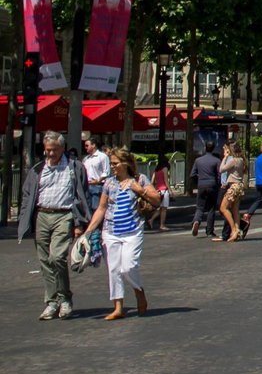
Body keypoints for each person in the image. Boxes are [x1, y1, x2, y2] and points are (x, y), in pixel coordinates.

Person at [18, 131, 90, 321]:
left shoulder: (75, 167)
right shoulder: (37, 169)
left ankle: (65, 298)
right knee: (45, 261)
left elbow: (82, 195)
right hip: (42, 215)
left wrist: (79, 223)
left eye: (54, 150)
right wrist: (25, 218)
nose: (50, 154)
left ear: (62, 148)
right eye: (47, 150)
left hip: (64, 215)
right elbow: (27, 194)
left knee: (57, 257)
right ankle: (52, 302)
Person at [82, 148, 159, 320]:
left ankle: (139, 291)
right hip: (111, 231)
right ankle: (118, 307)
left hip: (133, 231)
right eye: (111, 163)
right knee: (114, 269)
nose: (112, 167)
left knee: (129, 266)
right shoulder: (109, 183)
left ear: (126, 164)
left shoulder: (140, 180)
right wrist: (89, 230)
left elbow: (156, 199)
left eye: (115, 163)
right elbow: (102, 208)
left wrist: (139, 190)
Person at [217, 143, 247, 242]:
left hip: (233, 187)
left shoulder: (234, 160)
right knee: (235, 210)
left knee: (223, 208)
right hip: (239, 186)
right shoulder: (242, 160)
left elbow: (221, 169)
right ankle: (237, 230)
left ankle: (233, 229)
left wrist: (225, 158)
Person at [191, 141, 222, 237]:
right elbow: (219, 175)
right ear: (213, 148)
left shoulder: (198, 160)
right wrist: (218, 184)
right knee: (211, 208)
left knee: (200, 206)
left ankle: (196, 221)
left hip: (201, 184)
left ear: (205, 147)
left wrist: (198, 182)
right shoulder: (216, 160)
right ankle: (209, 230)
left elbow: (192, 174)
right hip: (212, 185)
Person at [82, 137, 110, 214]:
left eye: (87, 145)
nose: (85, 148)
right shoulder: (86, 159)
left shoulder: (102, 157)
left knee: (96, 208)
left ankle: (97, 225)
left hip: (98, 186)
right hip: (87, 186)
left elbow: (106, 171)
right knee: (87, 209)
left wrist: (98, 181)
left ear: (93, 145)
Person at [151, 159, 171, 231]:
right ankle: (162, 225)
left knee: (160, 208)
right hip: (164, 190)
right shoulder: (165, 169)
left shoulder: (156, 171)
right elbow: (166, 181)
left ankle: (151, 220)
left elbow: (152, 181)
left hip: (158, 190)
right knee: (164, 209)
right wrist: (170, 190)